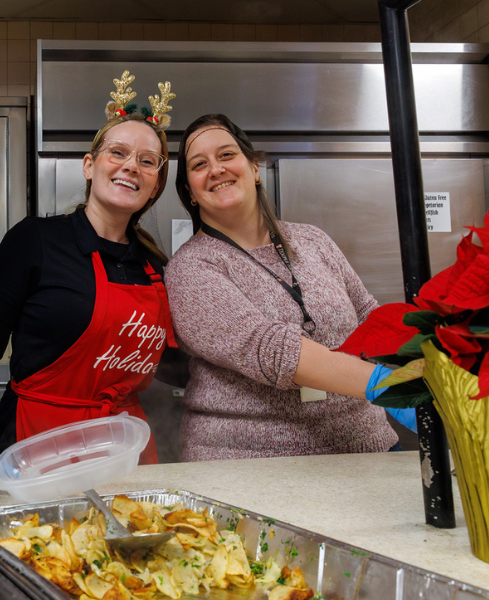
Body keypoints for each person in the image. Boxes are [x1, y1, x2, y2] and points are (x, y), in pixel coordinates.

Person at [165, 113, 414, 462]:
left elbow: (370, 317)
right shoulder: (191, 269)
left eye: (226, 155)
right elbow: (273, 351)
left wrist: (429, 360)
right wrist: (388, 385)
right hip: (254, 466)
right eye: (199, 164)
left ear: (254, 168)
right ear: (190, 193)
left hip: (367, 447)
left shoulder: (312, 240)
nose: (216, 169)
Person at [0, 72, 178, 464]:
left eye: (147, 161)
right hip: (38, 448)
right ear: (89, 165)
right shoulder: (35, 241)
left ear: (156, 185)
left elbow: (177, 369)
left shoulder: (156, 267)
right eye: (118, 153)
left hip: (125, 453)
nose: (131, 166)